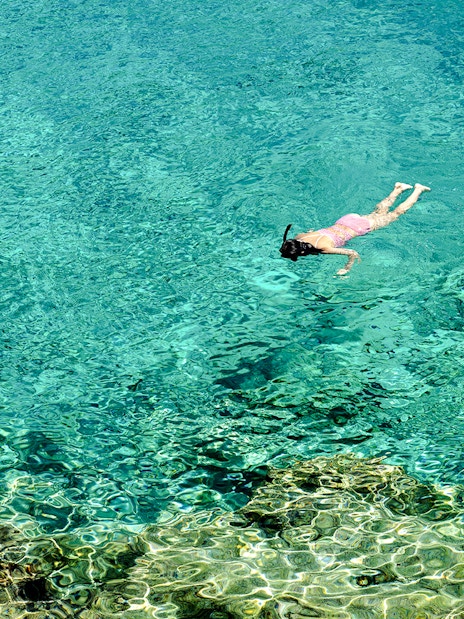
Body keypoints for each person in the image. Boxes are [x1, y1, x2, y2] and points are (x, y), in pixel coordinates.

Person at [279, 182, 431, 275]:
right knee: (378, 213)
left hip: (358, 228)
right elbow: (311, 230)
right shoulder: (299, 237)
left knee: (397, 213)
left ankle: (418, 189)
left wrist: (346, 268)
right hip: (345, 220)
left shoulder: (324, 248)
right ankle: (398, 189)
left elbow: (352, 253)